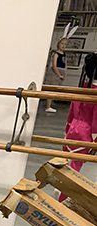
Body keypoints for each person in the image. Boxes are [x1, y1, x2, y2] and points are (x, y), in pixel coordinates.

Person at [60, 52, 97, 183]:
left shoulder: (81, 88)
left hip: (72, 128)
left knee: (64, 163)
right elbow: (96, 122)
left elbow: (71, 113)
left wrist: (66, 131)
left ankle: (58, 186)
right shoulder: (95, 93)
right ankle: (63, 192)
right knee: (74, 168)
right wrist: (95, 141)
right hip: (86, 133)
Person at [45, 37, 68, 112]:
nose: (63, 45)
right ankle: (48, 106)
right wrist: (59, 75)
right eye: (62, 43)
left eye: (65, 44)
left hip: (61, 72)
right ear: (58, 44)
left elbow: (64, 64)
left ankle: (50, 104)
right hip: (55, 73)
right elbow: (54, 65)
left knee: (55, 90)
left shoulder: (64, 54)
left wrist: (63, 74)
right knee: (51, 89)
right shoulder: (56, 54)